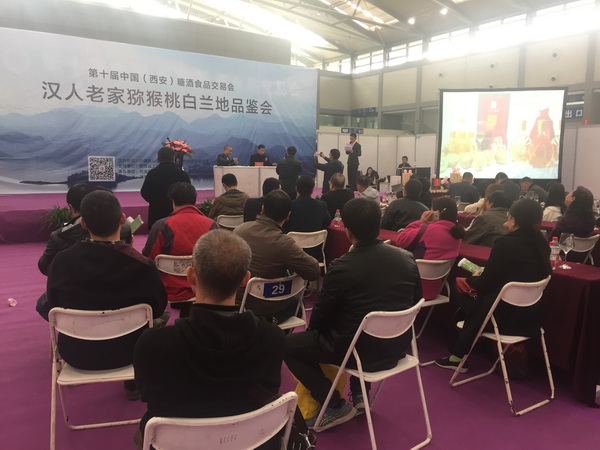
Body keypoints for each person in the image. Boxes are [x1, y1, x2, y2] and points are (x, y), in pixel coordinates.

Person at [134, 230, 285, 448]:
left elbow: (147, 394)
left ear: (191, 276)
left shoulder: (153, 344)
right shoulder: (273, 338)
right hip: (250, 442)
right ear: (245, 279)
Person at [285, 198, 422, 430]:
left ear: (347, 230)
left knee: (287, 345)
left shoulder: (342, 266)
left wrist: (314, 335)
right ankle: (360, 393)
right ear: (379, 226)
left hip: (356, 352)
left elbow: (320, 317)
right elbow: (417, 301)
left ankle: (333, 403)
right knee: (362, 323)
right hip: (396, 347)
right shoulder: (407, 258)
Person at [47, 190, 167, 394]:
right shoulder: (143, 266)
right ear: (122, 219)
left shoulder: (62, 262)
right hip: (132, 352)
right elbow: (158, 308)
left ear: (83, 224)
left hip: (77, 353)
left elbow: (53, 304)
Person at [435, 199, 551, 371]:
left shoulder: (505, 243)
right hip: (531, 316)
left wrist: (474, 279)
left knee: (458, 290)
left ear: (513, 219)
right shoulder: (541, 243)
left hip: (501, 315)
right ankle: (465, 343)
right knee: (474, 297)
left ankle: (458, 353)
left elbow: (485, 284)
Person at [234, 190, 320, 322]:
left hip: (239, 305)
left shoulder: (239, 231)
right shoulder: (284, 243)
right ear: (288, 215)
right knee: (297, 300)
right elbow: (313, 271)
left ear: (262, 209)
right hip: (267, 309)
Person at [142, 182, 218, 317]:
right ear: (194, 199)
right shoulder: (212, 225)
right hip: (204, 286)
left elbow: (148, 258)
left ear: (173, 201)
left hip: (168, 288)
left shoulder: (161, 225)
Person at [395, 196, 465, 300]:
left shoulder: (426, 230)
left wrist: (420, 222)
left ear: (437, 213)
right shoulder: (458, 234)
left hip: (411, 288)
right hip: (433, 290)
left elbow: (401, 240)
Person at [141, 147, 191, 229]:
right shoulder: (182, 174)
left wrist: (156, 201)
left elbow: (145, 192)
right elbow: (188, 192)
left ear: (158, 158)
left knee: (157, 234)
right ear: (174, 158)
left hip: (156, 212)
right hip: (177, 212)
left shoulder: (152, 173)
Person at [285, 175, 331, 261]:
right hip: (314, 251)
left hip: (292, 250)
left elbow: (284, 224)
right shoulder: (321, 205)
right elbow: (327, 222)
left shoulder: (290, 205)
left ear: (296, 188)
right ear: (312, 189)